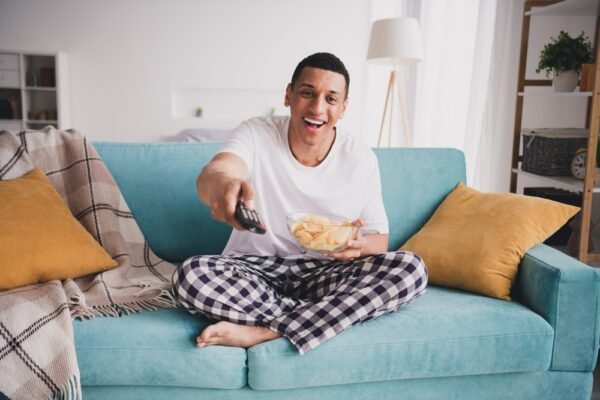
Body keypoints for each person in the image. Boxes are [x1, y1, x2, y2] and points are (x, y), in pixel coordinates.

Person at [172, 52, 428, 355]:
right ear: (288, 95)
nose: (317, 108)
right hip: (253, 269)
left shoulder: (359, 156)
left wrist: (358, 246)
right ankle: (323, 318)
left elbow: (379, 240)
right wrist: (225, 184)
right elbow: (219, 170)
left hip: (325, 272)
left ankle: (265, 332)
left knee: (412, 269)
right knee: (190, 275)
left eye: (331, 99)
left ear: (343, 108)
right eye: (307, 93)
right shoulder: (257, 132)